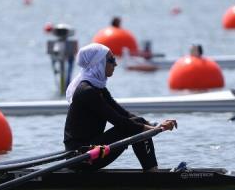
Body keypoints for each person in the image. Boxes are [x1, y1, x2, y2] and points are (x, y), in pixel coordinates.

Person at [64, 43, 177, 172]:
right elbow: (118, 121)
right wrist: (156, 130)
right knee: (131, 128)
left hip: (91, 150)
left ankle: (152, 170)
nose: (116, 64)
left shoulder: (98, 88)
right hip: (81, 157)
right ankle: (152, 173)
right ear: (98, 63)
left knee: (137, 123)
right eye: (111, 60)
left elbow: (124, 114)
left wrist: (153, 125)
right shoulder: (87, 91)